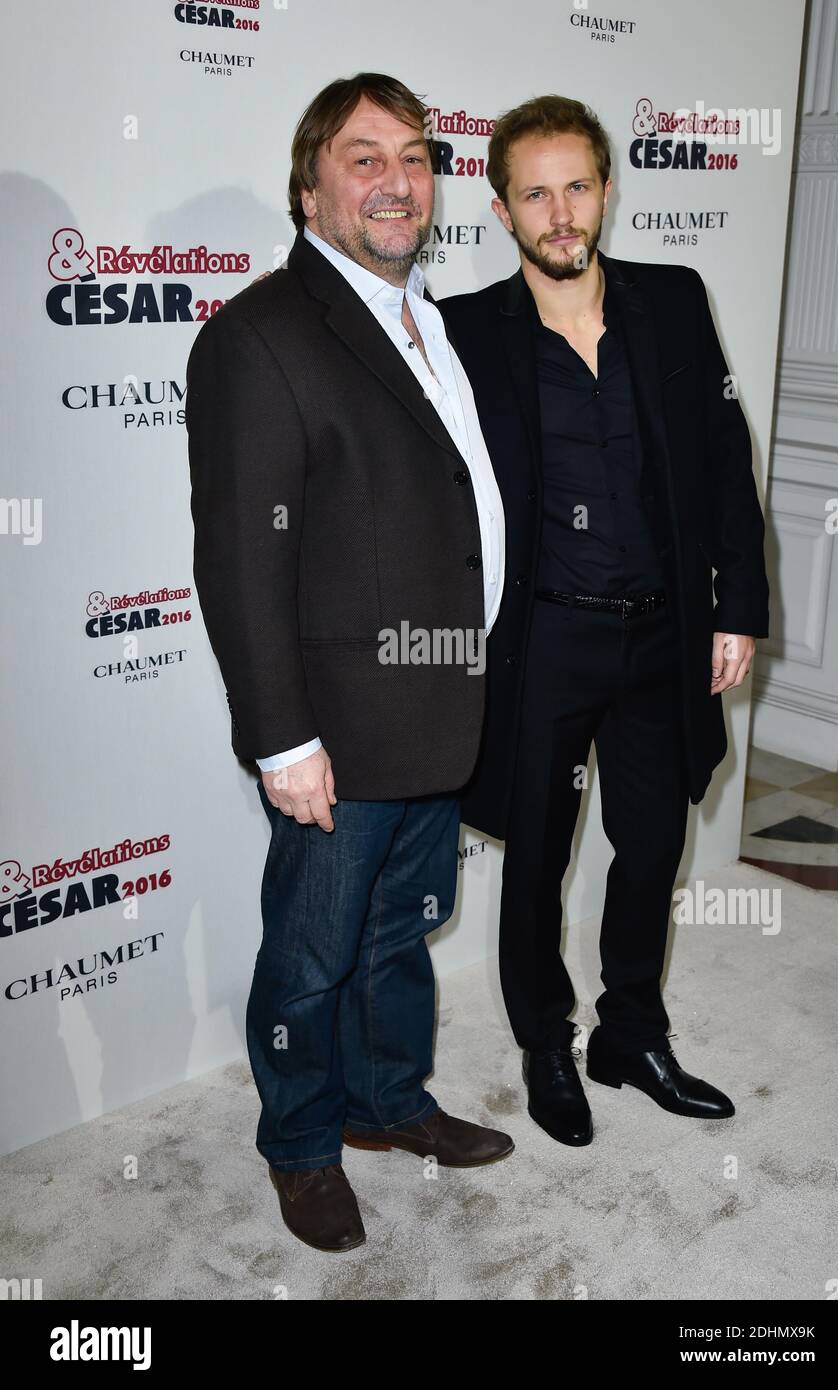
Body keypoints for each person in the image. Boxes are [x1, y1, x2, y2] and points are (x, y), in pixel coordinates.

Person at [186, 72, 511, 1253]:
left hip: (440, 697)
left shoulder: (429, 319)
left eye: (414, 157)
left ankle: (386, 1101)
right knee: (312, 953)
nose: (396, 181)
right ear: (309, 188)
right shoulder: (258, 337)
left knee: (397, 933)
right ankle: (300, 1143)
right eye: (363, 158)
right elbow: (240, 557)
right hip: (338, 724)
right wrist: (282, 738)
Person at [438, 95, 770, 1146]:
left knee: (653, 843)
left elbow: (723, 458)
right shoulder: (463, 333)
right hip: (544, 640)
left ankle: (631, 1033)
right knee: (534, 859)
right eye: (535, 194)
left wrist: (735, 604)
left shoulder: (671, 300)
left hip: (663, 634)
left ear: (607, 189)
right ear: (502, 211)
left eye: (576, 185)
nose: (560, 212)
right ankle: (544, 1041)